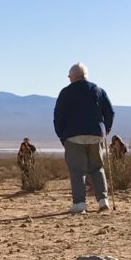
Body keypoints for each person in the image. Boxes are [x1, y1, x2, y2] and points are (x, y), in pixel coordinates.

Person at [52, 62, 116, 214]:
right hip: (95, 135)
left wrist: (62, 136)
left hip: (73, 136)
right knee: (97, 167)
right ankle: (103, 201)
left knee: (77, 170)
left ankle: (80, 204)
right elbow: (110, 112)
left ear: (73, 77)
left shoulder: (66, 92)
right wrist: (105, 129)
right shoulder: (99, 90)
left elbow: (58, 116)